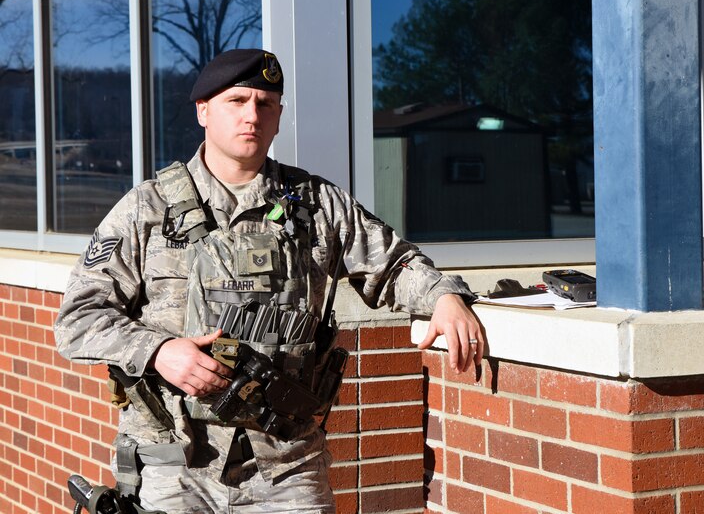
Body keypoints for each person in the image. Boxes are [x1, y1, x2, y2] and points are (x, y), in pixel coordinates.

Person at [54, 48, 484, 514]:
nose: (252, 115)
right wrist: (158, 352)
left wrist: (445, 297)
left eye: (266, 104)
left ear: (279, 117)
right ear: (203, 111)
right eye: (237, 101)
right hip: (175, 464)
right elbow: (77, 318)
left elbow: (395, 264)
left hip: (288, 464)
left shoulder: (319, 205)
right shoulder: (147, 209)